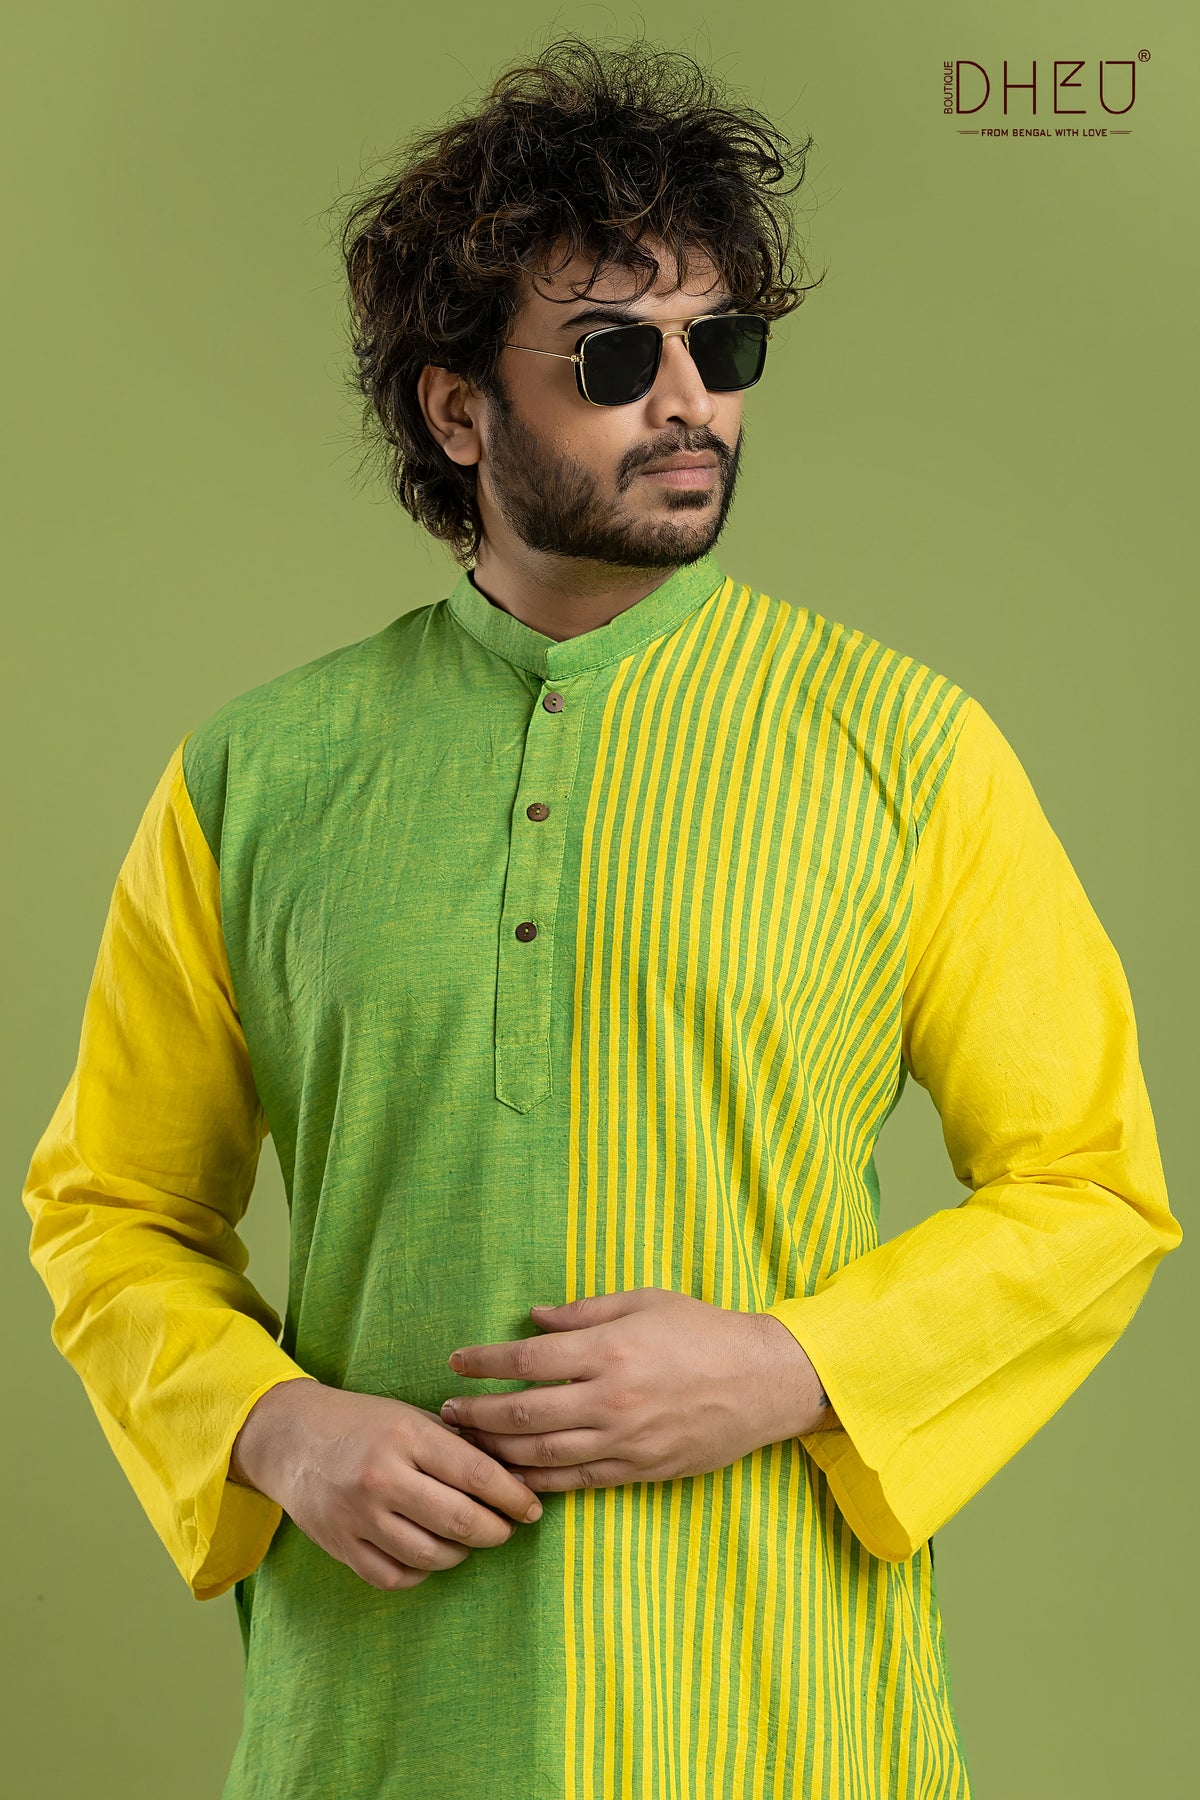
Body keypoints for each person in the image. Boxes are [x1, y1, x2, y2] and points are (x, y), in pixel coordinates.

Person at [22, 35, 1179, 1800]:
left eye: (724, 347)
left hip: (778, 1706)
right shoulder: (255, 776)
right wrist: (269, 1426)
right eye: (616, 357)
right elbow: (109, 1207)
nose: (690, 403)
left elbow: (1092, 1188)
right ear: (456, 411)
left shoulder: (907, 748)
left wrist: (793, 1367)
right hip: (381, 1720)